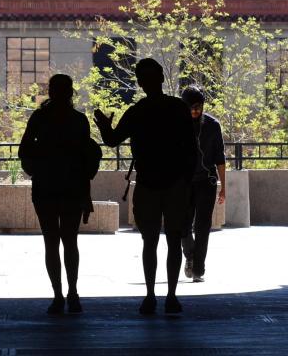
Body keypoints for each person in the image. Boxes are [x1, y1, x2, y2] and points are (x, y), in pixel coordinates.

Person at [94, 58, 197, 315]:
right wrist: (188, 184)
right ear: (162, 78)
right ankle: (171, 296)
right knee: (173, 239)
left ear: (140, 83)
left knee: (149, 241)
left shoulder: (137, 111)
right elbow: (192, 150)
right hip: (175, 184)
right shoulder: (178, 108)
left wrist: (104, 126)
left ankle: (150, 295)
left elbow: (112, 140)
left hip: (149, 184)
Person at [19, 74, 92, 315]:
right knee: (70, 241)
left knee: (51, 242)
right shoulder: (79, 121)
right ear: (71, 93)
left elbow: (24, 151)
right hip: (72, 188)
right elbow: (86, 161)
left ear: (50, 92)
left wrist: (38, 171)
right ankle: (72, 293)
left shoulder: (40, 119)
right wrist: (86, 195)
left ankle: (58, 295)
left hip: (46, 188)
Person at [180, 85, 226, 283]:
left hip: (206, 182)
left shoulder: (212, 125)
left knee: (203, 226)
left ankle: (198, 267)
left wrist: (224, 187)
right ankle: (190, 256)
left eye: (198, 107)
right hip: (183, 182)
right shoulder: (176, 125)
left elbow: (220, 158)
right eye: (190, 107)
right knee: (182, 225)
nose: (194, 111)